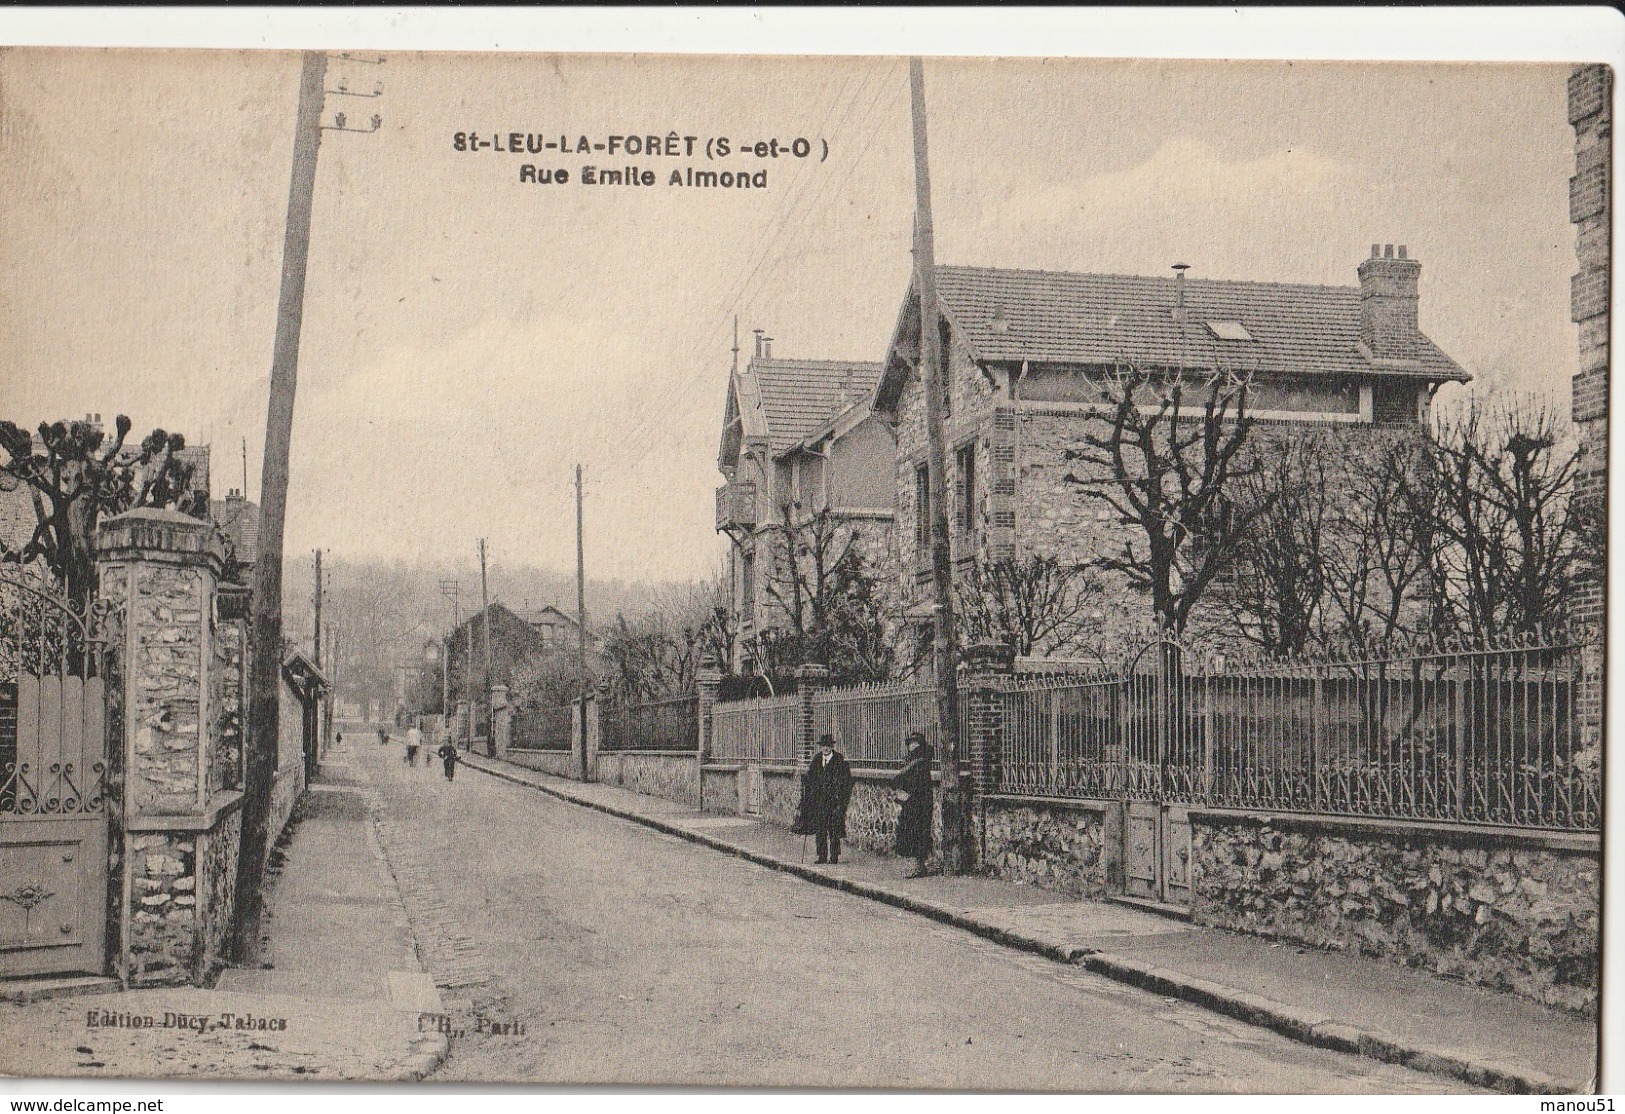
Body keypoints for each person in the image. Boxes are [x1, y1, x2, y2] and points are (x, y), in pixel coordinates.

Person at [795, 734, 853, 865]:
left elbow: (847, 783)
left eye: (828, 746)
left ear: (832, 746)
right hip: (819, 801)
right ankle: (821, 855)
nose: (825, 748)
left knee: (834, 830)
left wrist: (842, 802)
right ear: (820, 747)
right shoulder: (816, 760)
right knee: (820, 829)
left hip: (834, 802)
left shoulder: (840, 761)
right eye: (823, 746)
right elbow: (810, 780)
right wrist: (808, 795)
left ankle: (834, 856)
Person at [891, 731, 935, 877]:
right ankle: (914, 865)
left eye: (915, 743)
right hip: (911, 803)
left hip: (919, 803)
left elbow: (920, 785)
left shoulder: (921, 762)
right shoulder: (911, 761)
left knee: (918, 833)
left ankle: (918, 866)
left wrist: (908, 794)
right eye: (910, 743)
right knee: (909, 833)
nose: (912, 745)